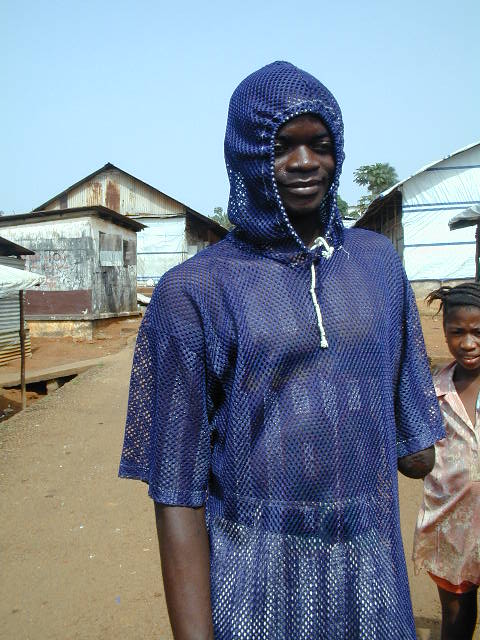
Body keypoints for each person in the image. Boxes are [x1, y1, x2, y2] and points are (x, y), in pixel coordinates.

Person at [119, 61, 445, 639]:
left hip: (370, 571)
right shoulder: (196, 290)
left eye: (320, 145)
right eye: (280, 146)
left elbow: (416, 454)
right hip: (255, 578)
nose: (304, 162)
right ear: (244, 154)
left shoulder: (376, 264)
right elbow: (177, 492)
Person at [414, 284, 480, 640]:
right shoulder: (431, 391)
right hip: (451, 526)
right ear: (444, 332)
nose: (468, 343)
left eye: (478, 332)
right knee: (456, 613)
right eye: (458, 332)